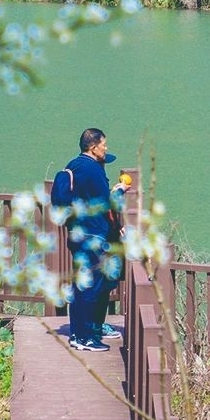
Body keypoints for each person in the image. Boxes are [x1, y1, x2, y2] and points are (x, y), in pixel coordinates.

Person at [50, 127, 129, 351]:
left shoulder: (74, 165)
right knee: (91, 287)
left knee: (82, 285)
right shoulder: (93, 170)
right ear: (93, 147)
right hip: (92, 236)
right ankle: (84, 337)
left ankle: (80, 334)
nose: (106, 148)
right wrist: (120, 190)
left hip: (78, 234)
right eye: (104, 145)